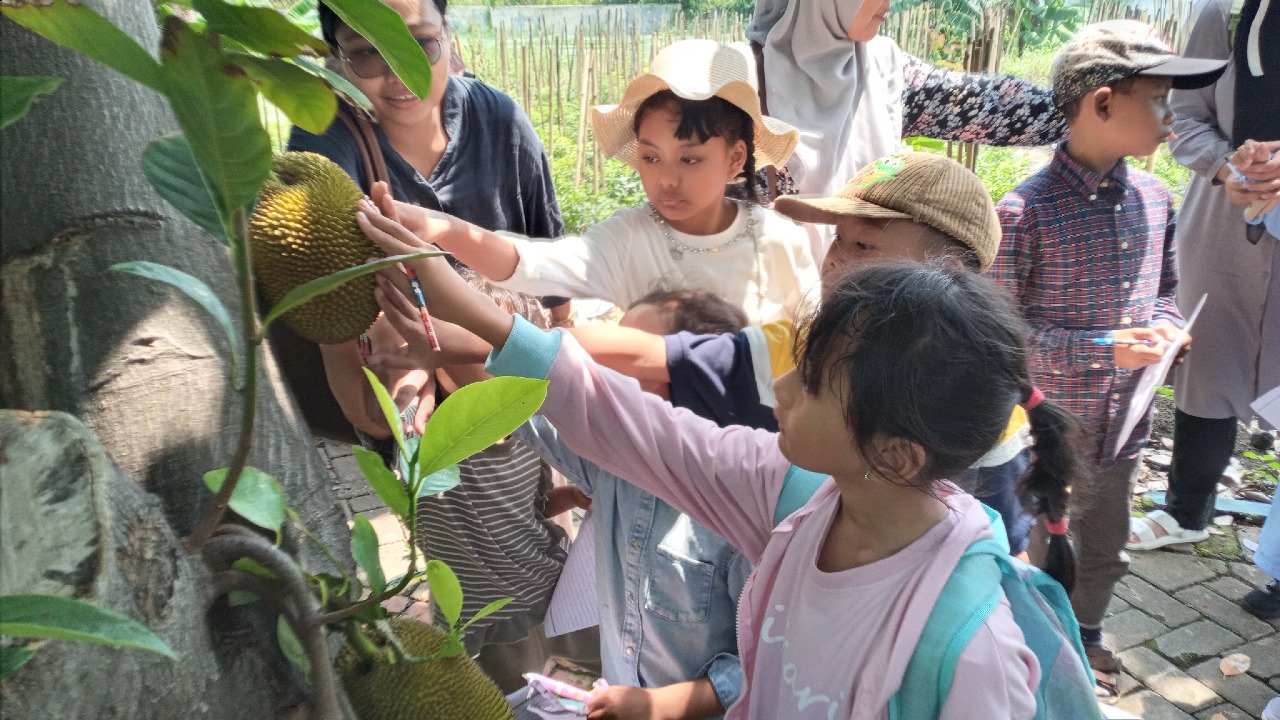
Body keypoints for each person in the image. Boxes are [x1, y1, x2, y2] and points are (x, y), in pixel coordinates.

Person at [357, 194, 1096, 718]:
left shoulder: (966, 648)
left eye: (809, 384)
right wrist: (463, 306)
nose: (779, 384)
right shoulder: (793, 491)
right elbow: (622, 418)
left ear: (894, 455)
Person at [540, 152, 1038, 554]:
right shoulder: (799, 340)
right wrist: (520, 339)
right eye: (837, 239)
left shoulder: (985, 420)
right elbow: (652, 354)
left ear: (945, 270)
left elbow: (1000, 552)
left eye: (863, 246)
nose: (837, 258)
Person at [988, 20, 1226, 684]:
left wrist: (1169, 331)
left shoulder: (1155, 199)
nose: (1171, 120)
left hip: (1123, 431)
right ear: (1100, 103)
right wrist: (1103, 349)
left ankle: (1085, 635)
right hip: (1047, 435)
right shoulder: (1024, 212)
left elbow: (1169, 291)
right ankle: (1034, 647)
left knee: (1106, 550)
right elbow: (1006, 337)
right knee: (1041, 548)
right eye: (1158, 100)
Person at [284, 0, 567, 450]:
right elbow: (332, 298)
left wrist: (560, 357)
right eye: (367, 51)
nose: (399, 73)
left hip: (497, 339)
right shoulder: (324, 138)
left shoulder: (499, 119)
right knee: (390, 411)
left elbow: (549, 257)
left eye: (420, 44)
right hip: (391, 340)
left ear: (448, 35)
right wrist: (415, 356)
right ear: (335, 55)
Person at [382, 39, 818, 325]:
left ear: (735, 158)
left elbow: (810, 338)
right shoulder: (630, 238)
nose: (666, 178)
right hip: (654, 448)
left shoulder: (778, 240)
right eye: (651, 157)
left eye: (690, 158)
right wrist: (441, 229)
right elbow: (531, 264)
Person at [1127, 0, 1280, 551]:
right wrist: (1227, 165)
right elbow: (1185, 115)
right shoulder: (1230, 12)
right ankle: (1187, 511)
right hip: (1223, 216)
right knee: (1206, 362)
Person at [744, 0, 1069, 259]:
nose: (888, 3)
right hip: (771, 310)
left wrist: (1080, 110)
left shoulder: (885, 72)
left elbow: (987, 105)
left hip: (869, 301)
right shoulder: (737, 85)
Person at [413, 271, 599, 692]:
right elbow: (364, 391)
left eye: (506, 351)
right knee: (510, 700)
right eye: (474, 345)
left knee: (609, 677)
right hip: (481, 620)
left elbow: (534, 507)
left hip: (554, 588)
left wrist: (570, 495)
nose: (492, 366)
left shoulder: (533, 426)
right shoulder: (422, 431)